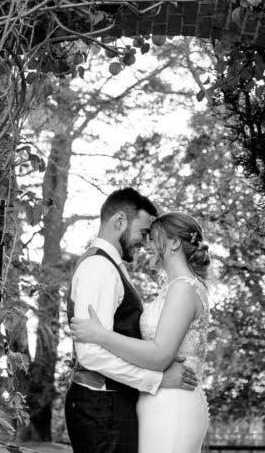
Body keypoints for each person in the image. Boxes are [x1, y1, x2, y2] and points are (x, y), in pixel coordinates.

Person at [64, 189, 199, 453]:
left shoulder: (110, 265)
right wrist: (156, 379)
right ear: (119, 222)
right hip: (102, 407)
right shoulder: (99, 267)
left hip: (110, 405)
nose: (146, 241)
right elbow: (91, 354)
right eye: (143, 232)